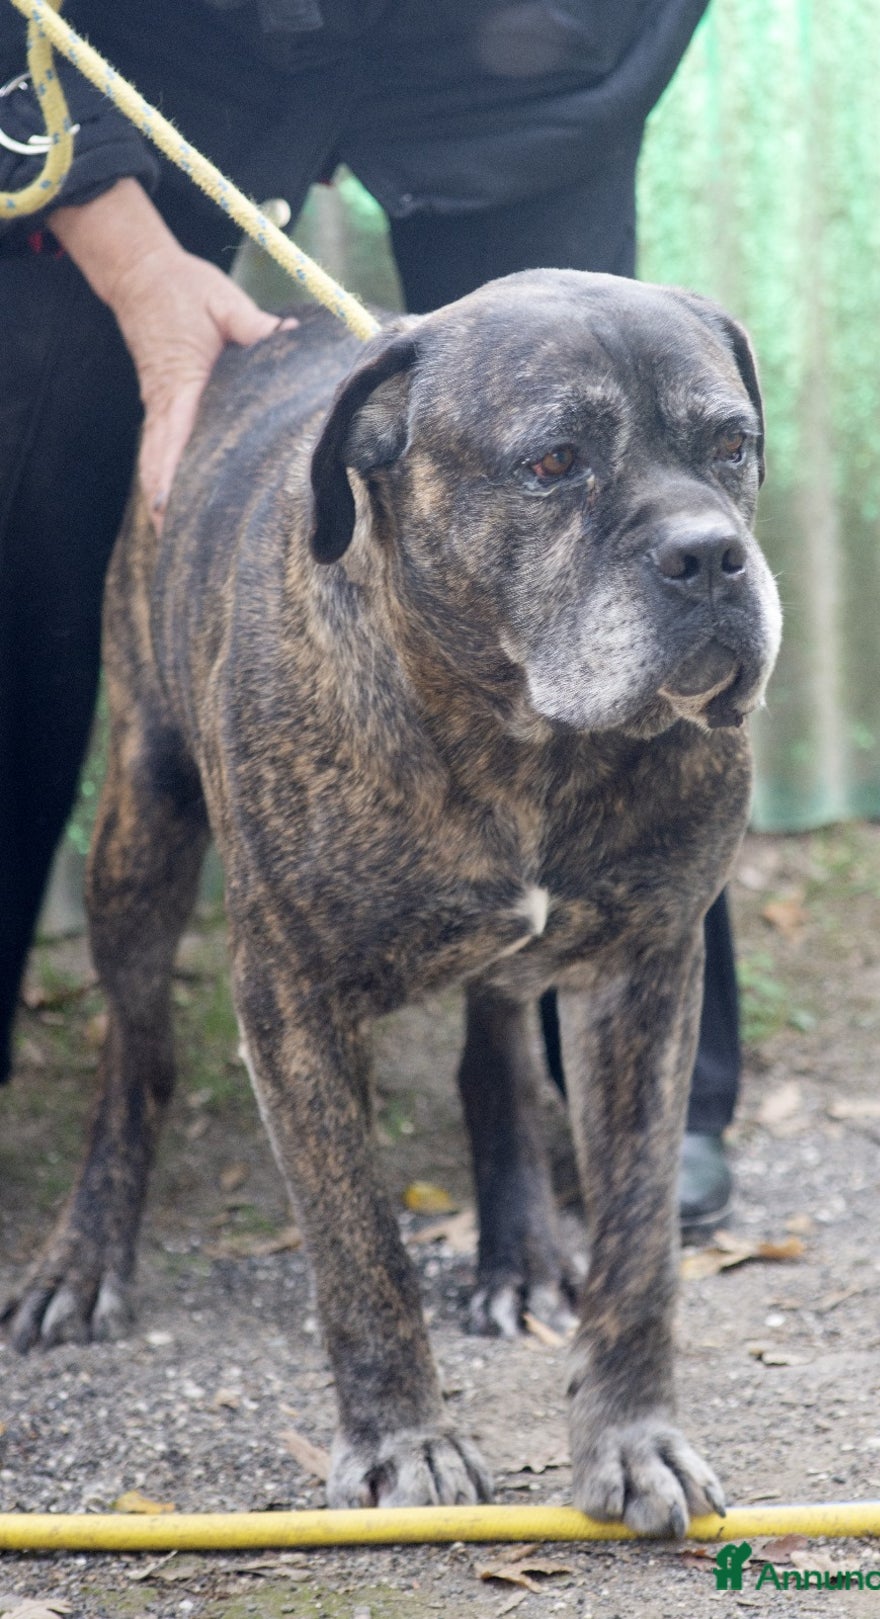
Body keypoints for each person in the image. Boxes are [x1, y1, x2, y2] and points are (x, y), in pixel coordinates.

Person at [0, 0, 739, 1222]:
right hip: (148, 39)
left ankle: (640, 1078)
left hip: (518, 35)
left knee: (612, 523)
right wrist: (129, 262)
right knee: (25, 508)